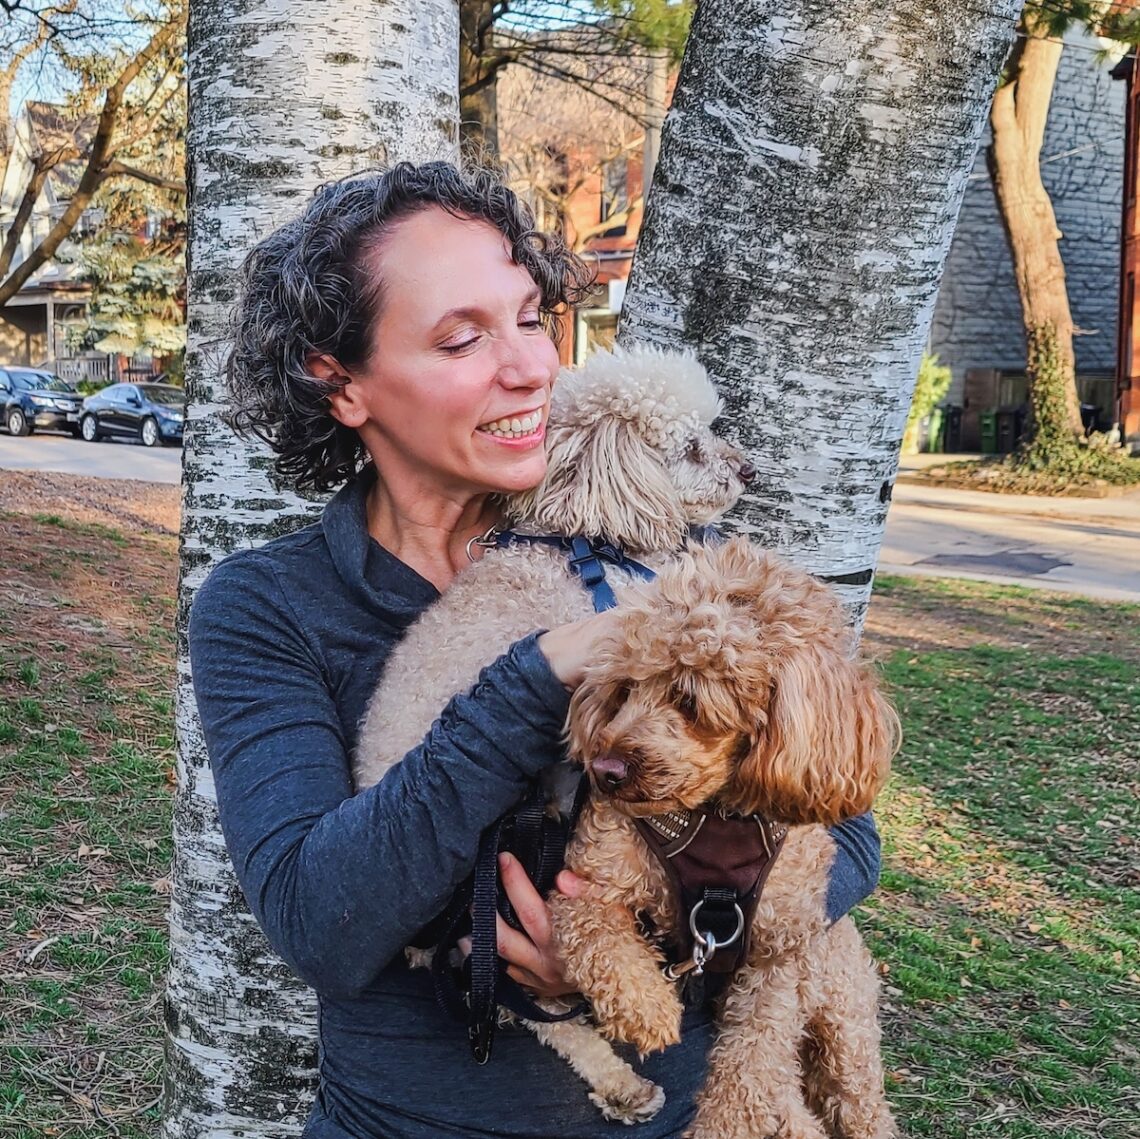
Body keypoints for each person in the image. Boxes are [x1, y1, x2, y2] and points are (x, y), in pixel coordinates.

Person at [188, 161, 882, 1139]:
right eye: (463, 337)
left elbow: (847, 832)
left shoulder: (669, 564)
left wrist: (675, 938)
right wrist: (537, 674)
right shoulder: (272, 604)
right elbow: (322, 924)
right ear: (338, 381)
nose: (529, 367)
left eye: (528, 318)